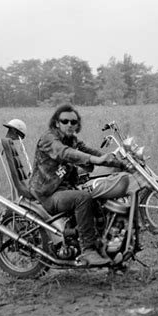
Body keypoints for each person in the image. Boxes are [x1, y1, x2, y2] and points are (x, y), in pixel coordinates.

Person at [29, 104, 119, 266]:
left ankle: (101, 242)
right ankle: (88, 251)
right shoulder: (49, 139)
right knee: (82, 198)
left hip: (64, 188)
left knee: (98, 194)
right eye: (65, 121)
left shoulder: (72, 140)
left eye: (73, 122)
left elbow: (89, 151)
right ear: (57, 123)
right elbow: (64, 152)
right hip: (49, 193)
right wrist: (94, 161)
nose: (69, 124)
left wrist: (115, 160)